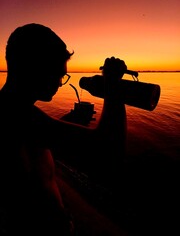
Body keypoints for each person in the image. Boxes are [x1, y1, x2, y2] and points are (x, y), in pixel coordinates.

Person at [0, 23, 127, 235]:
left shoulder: (13, 110)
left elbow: (35, 137)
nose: (60, 83)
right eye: (58, 74)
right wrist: (113, 89)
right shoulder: (16, 114)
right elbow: (108, 154)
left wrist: (68, 120)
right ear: (35, 67)